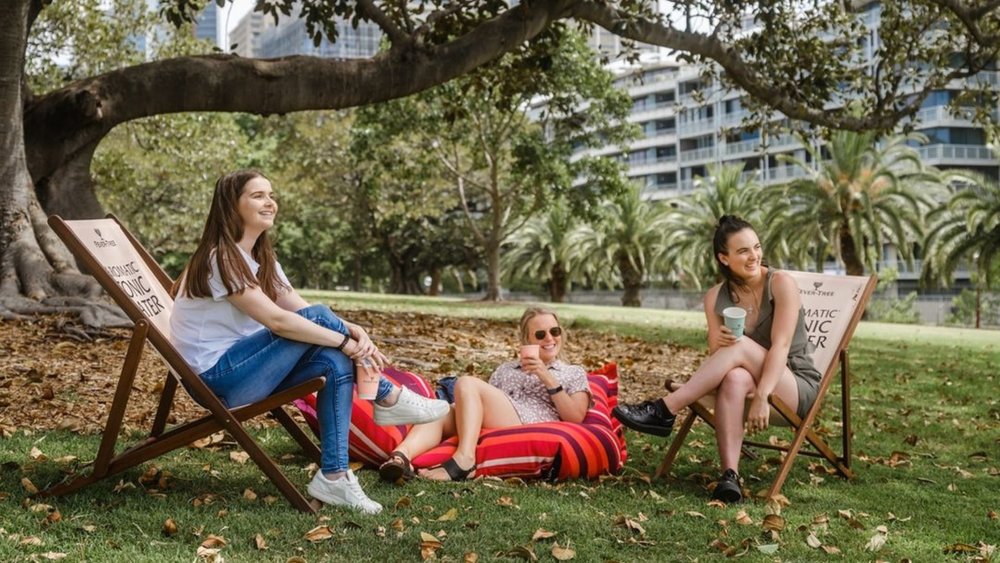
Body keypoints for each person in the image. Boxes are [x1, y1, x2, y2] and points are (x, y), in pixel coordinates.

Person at [169, 169, 449, 514]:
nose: (270, 202)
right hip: (216, 381)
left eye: (271, 195)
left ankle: (334, 475)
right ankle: (388, 395)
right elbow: (279, 321)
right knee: (330, 337)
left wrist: (353, 330)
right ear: (231, 205)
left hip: (244, 372)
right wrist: (345, 341)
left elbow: (301, 309)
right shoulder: (220, 258)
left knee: (334, 361)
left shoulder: (259, 259)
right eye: (258, 196)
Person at [612, 215, 821, 504]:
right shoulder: (715, 298)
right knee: (734, 376)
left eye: (756, 247)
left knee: (740, 346)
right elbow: (717, 355)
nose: (754, 256)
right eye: (743, 251)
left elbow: (782, 345)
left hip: (793, 385)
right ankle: (730, 476)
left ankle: (665, 409)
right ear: (724, 258)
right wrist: (721, 342)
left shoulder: (781, 283)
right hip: (748, 382)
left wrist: (763, 395)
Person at [377, 307, 592, 482]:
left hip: (530, 420)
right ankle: (401, 457)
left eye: (555, 331)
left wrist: (546, 376)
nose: (549, 338)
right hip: (501, 416)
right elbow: (481, 404)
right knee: (439, 410)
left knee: (466, 383)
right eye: (540, 334)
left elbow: (575, 417)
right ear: (527, 340)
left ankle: (465, 460)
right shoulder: (505, 369)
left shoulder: (572, 373)